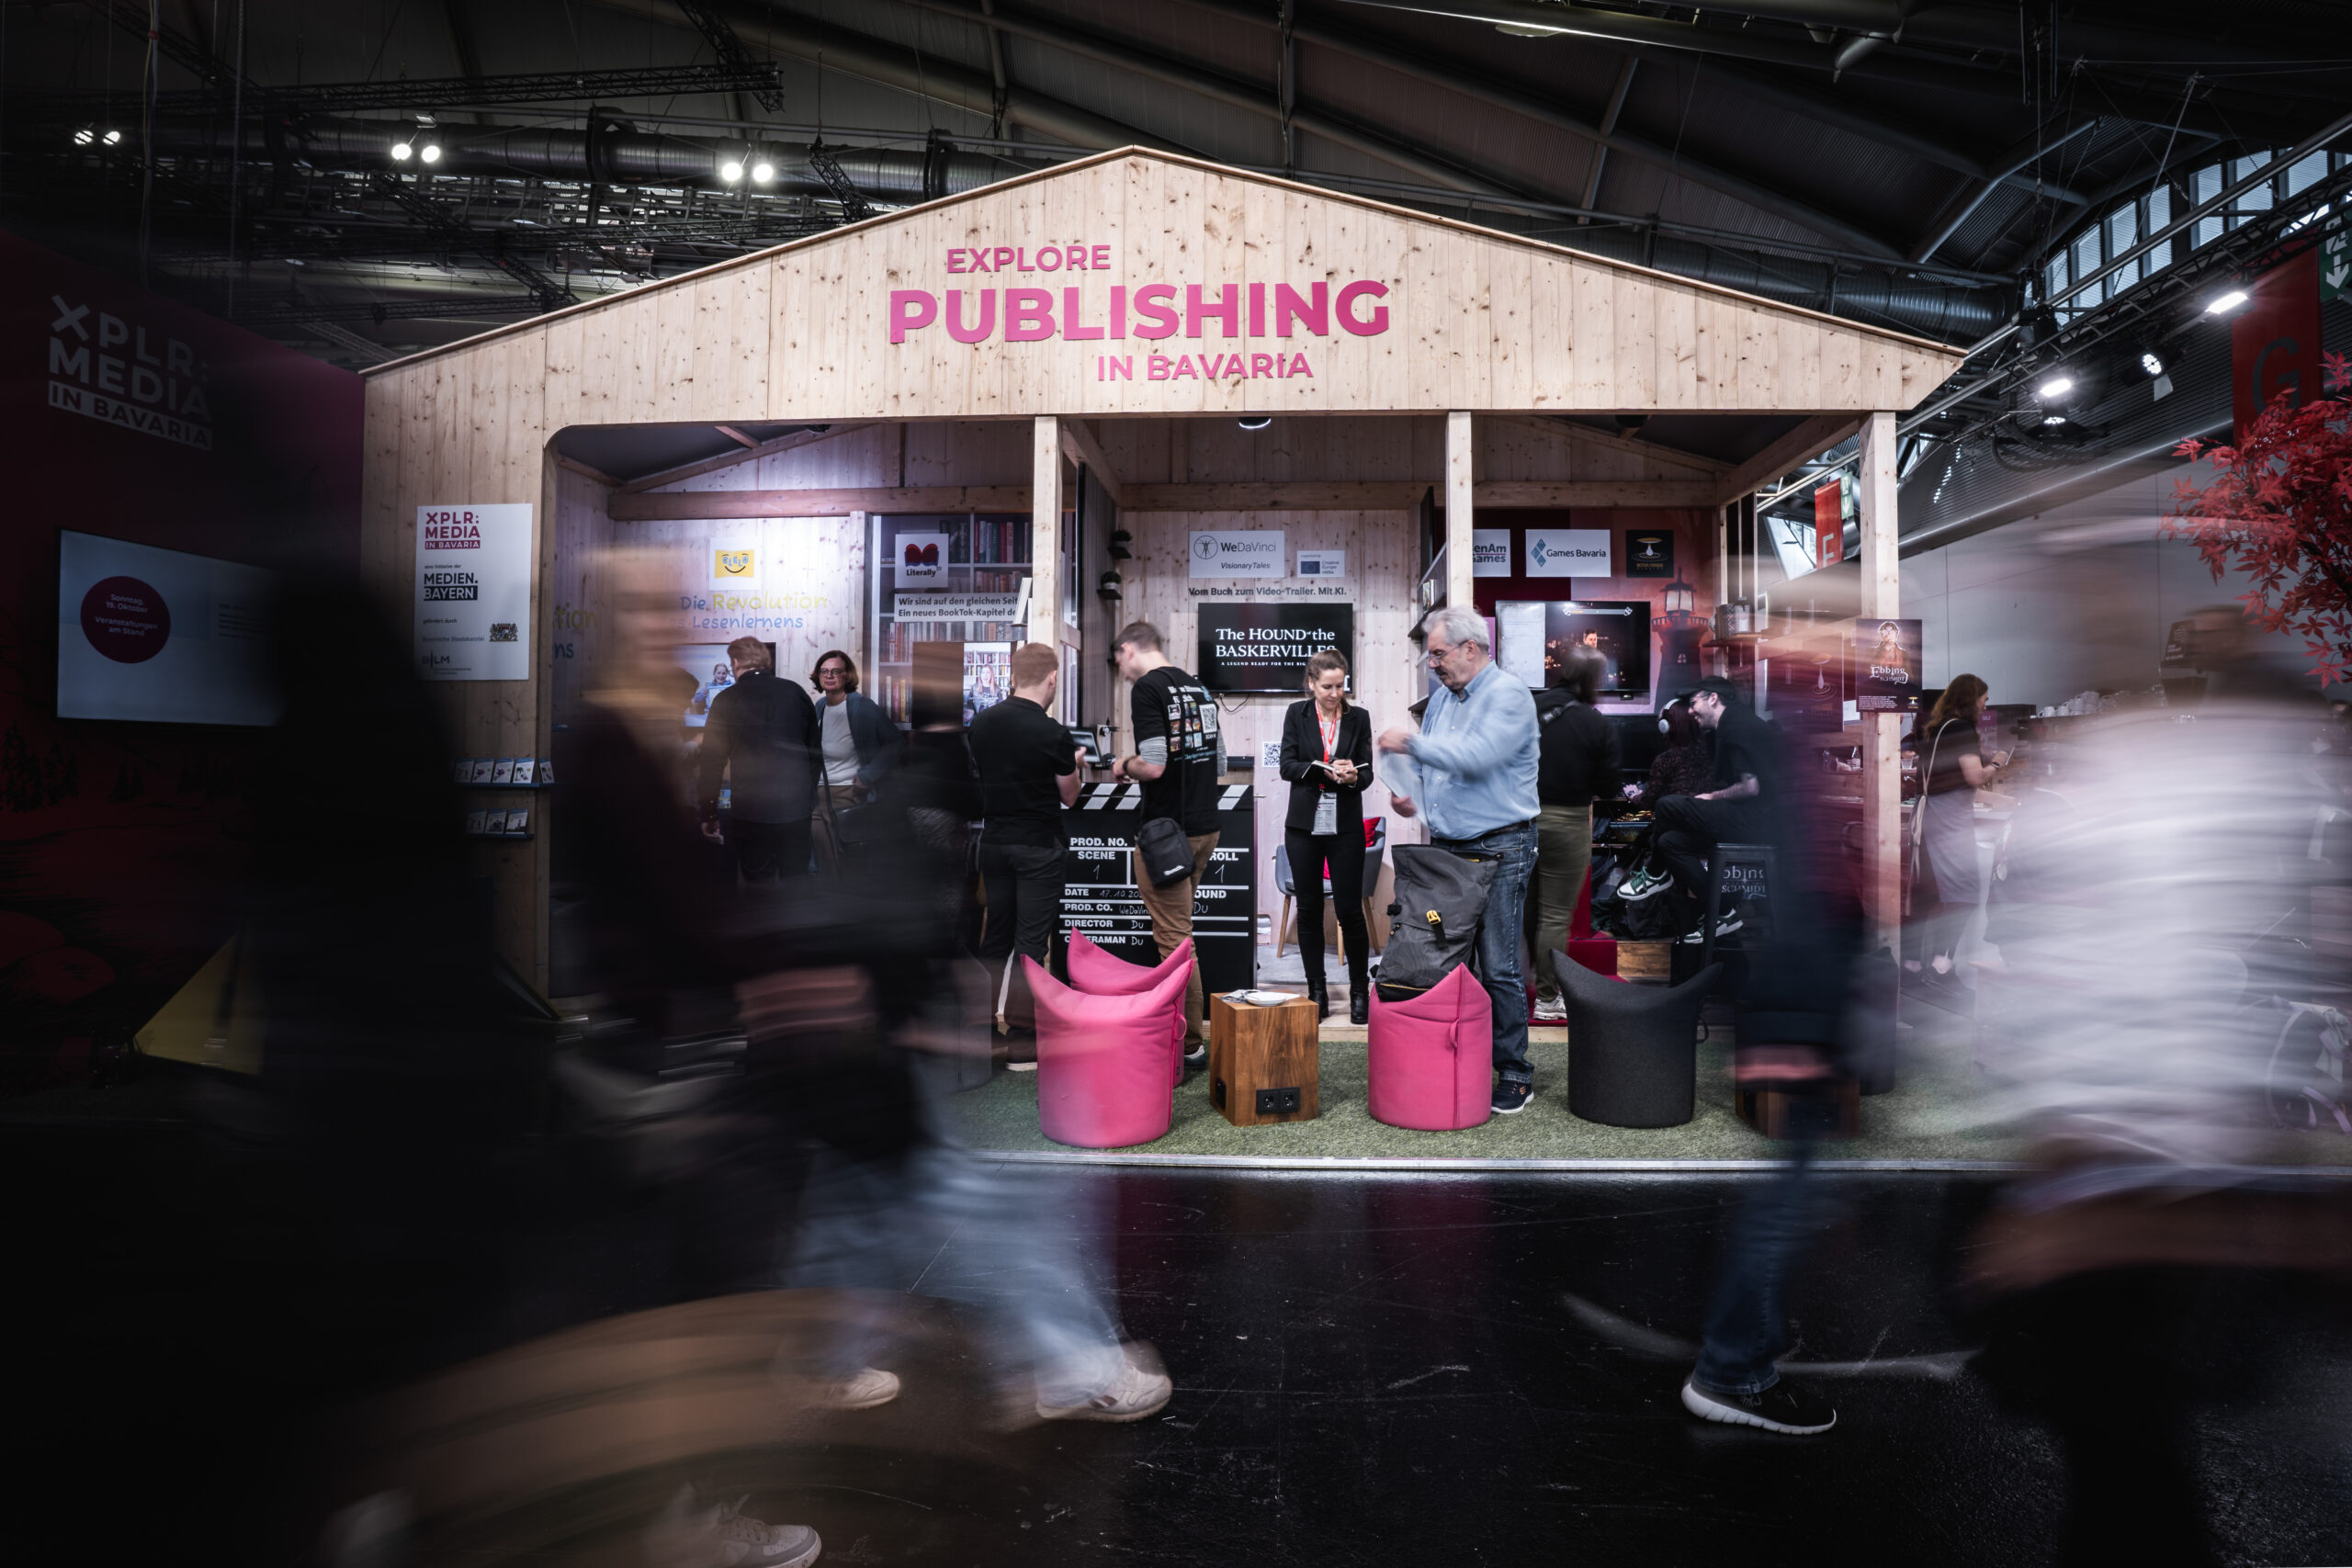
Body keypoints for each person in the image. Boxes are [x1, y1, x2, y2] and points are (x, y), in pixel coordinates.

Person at [1376, 605, 1543, 1114]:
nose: (1433, 664)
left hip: (1502, 846)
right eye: (1431, 656)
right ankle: (1463, 1054)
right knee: (1448, 962)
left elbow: (1475, 757)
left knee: (1498, 965)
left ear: (1471, 649)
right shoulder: (1446, 698)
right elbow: (1440, 766)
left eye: (1438, 654)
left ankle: (1514, 1071)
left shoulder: (1508, 695)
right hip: (1450, 847)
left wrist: (1411, 743)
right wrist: (1414, 796)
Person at [1107, 621, 1223, 1066]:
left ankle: (1189, 1043)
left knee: (1175, 940)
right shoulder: (1198, 687)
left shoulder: (1147, 690)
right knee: (1181, 931)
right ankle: (1188, 1035)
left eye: (1118, 658)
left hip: (1166, 834)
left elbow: (1153, 765)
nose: (1120, 667)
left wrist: (1122, 764)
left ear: (1129, 648)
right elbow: (1221, 759)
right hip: (1205, 826)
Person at [967, 641, 1081, 1065]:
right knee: (1031, 944)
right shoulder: (1053, 733)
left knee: (995, 939)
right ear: (1052, 678)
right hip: (1038, 846)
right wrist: (1076, 764)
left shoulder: (981, 724)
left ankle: (980, 1035)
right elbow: (1069, 797)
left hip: (994, 845)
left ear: (1013, 676)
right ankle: (1021, 1042)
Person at [1636, 675, 1781, 944]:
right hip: (1751, 818)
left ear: (1713, 698)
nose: (1690, 711)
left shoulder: (1737, 727)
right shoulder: (1729, 727)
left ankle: (1654, 874)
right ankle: (1723, 911)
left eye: (1693, 703)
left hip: (1758, 822)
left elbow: (1750, 788)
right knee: (1670, 842)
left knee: (1667, 804)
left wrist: (1711, 797)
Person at [1278, 648, 1375, 1024]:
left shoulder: (1359, 718)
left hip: (1345, 824)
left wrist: (1353, 776)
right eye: (1327, 687)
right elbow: (1287, 765)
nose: (1335, 694)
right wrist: (1321, 771)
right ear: (1311, 684)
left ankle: (1358, 992)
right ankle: (1315, 989)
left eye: (1340, 686)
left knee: (1350, 911)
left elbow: (1366, 774)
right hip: (1303, 825)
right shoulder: (1296, 714)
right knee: (1310, 910)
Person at [1529, 647, 1620, 1022]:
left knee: (1518, 911)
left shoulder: (1529, 707)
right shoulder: (1596, 723)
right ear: (1594, 680)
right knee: (1553, 916)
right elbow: (1610, 786)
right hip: (1567, 822)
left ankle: (1510, 987)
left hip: (1518, 820)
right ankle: (1547, 1000)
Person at [1909, 673, 2012, 977]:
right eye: (1984, 697)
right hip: (1948, 817)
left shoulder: (1935, 729)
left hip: (1928, 813)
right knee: (1963, 892)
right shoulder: (1963, 729)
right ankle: (1943, 963)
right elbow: (1972, 777)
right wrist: (1997, 762)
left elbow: (1947, 781)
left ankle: (1913, 963)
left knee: (1929, 892)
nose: (1985, 703)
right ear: (1972, 698)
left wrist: (1996, 800)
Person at [697, 636, 820, 881]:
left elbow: (712, 761)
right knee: (797, 884)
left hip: (751, 810)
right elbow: (814, 753)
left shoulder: (725, 700)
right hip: (795, 810)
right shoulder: (795, 692)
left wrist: (709, 813)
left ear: (735, 662)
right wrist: (806, 799)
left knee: (758, 887)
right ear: (765, 661)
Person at [808, 648, 902, 875]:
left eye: (835, 671)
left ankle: (848, 907)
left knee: (849, 861)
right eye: (824, 671)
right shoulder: (819, 707)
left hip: (848, 792)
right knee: (824, 859)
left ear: (846, 675)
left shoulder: (862, 706)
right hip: (818, 794)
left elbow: (895, 742)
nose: (829, 676)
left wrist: (869, 775)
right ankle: (830, 905)